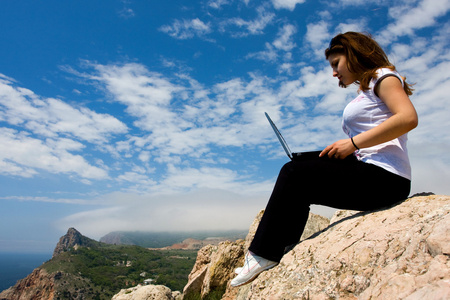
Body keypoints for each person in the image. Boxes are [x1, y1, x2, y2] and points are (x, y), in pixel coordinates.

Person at [231, 31, 418, 287]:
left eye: (336, 64)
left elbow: (408, 118)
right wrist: (341, 150)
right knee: (298, 169)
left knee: (294, 174)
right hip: (370, 169)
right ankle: (281, 247)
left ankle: (263, 254)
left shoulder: (382, 77)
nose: (334, 73)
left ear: (352, 54)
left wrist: (352, 144)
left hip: (386, 178)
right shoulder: (367, 89)